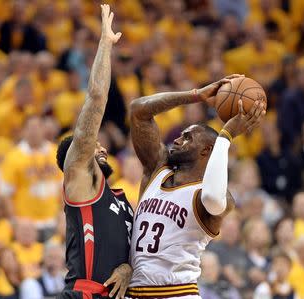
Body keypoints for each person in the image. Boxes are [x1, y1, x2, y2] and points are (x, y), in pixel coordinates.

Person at [127, 75, 265, 296]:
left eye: (187, 137)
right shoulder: (158, 168)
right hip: (134, 292)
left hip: (177, 292)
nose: (178, 140)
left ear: (206, 150)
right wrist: (196, 95)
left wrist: (225, 137)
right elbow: (138, 111)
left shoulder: (215, 196)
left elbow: (212, 198)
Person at [55, 5, 133, 299]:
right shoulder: (78, 183)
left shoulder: (122, 201)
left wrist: (127, 267)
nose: (99, 145)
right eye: (91, 145)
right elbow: (97, 97)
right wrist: (105, 44)